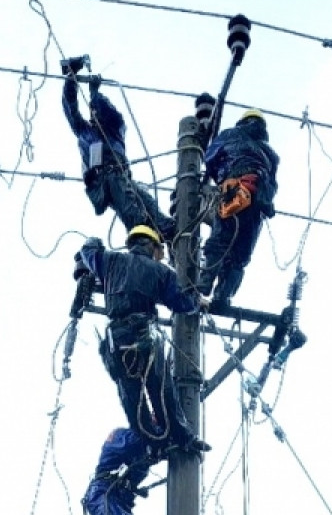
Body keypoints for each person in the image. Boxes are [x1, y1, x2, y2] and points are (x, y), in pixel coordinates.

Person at [78, 226, 208, 459]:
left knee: (130, 396)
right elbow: (181, 303)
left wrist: (93, 241)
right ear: (152, 246)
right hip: (144, 335)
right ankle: (182, 439)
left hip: (116, 340)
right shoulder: (161, 271)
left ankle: (152, 443)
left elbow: (88, 249)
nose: (161, 254)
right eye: (160, 249)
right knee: (162, 390)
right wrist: (198, 302)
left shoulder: (109, 261)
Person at [61, 58, 173, 239]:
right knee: (133, 213)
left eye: (96, 113)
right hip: (104, 180)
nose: (94, 116)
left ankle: (170, 232)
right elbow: (71, 109)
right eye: (93, 113)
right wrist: (70, 80)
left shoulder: (115, 130)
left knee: (148, 204)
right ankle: (142, 242)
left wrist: (95, 94)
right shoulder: (86, 133)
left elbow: (111, 114)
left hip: (120, 175)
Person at [198, 109, 280, 311]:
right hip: (258, 202)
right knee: (240, 256)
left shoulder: (229, 135)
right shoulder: (272, 154)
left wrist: (209, 182)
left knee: (220, 240)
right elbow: (273, 182)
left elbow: (210, 159)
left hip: (235, 190)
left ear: (242, 122)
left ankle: (205, 282)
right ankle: (223, 297)